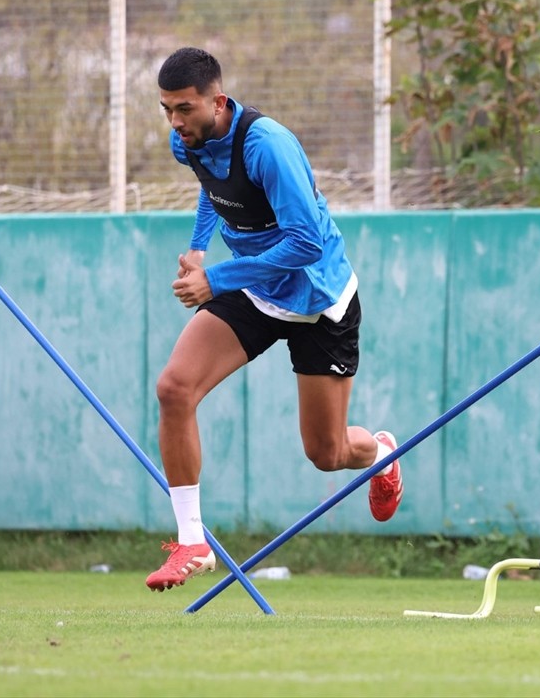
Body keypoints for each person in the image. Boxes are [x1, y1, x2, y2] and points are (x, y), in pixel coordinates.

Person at [145, 47, 404, 592]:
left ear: (218, 102)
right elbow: (211, 191)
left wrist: (215, 278)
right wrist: (198, 250)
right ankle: (192, 542)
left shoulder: (270, 148)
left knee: (327, 453)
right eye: (166, 108)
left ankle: (381, 453)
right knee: (174, 389)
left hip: (318, 298)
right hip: (255, 289)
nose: (174, 121)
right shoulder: (186, 140)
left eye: (185, 108)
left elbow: (306, 244)